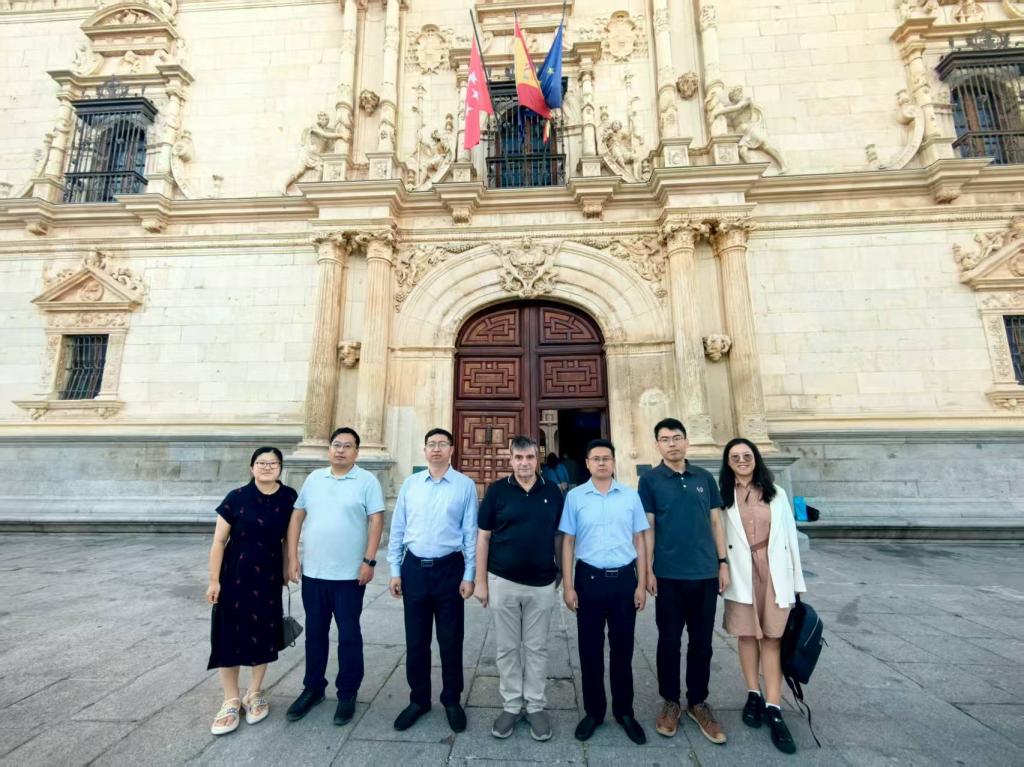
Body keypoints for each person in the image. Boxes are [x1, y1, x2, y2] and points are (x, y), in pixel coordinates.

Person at [284, 427, 385, 726]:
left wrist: (369, 560)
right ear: (329, 449)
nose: (341, 450)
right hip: (314, 573)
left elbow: (376, 519)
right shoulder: (314, 479)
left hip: (349, 576)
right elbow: (297, 516)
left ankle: (347, 693)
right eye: (336, 445)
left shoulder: (367, 481)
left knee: (349, 635)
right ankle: (313, 688)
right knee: (315, 634)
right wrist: (292, 557)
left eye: (347, 446)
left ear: (357, 452)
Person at [638, 418, 730, 744]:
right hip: (668, 575)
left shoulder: (704, 478)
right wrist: (648, 570)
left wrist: (723, 563)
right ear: (657, 445)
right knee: (669, 640)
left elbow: (716, 522)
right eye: (665, 439)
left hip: (705, 573)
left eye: (677, 438)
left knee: (702, 642)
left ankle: (698, 702)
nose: (672, 444)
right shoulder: (650, 481)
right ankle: (670, 701)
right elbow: (648, 527)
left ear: (687, 441)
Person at [719, 437, 806, 755]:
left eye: (747, 455)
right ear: (728, 463)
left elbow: (791, 538)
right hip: (741, 572)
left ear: (756, 458)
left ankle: (773, 705)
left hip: (774, 572)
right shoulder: (723, 495)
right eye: (735, 457)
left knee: (773, 638)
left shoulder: (776, 493)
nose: (742, 460)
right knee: (746, 636)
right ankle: (752, 693)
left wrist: (796, 582)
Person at [388, 428, 478, 733]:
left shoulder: (465, 485)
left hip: (450, 569)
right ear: (424, 450)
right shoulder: (410, 484)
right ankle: (419, 700)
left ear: (452, 449)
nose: (436, 449)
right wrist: (395, 570)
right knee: (416, 641)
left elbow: (470, 533)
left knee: (451, 640)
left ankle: (452, 700)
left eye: (442, 444)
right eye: (431, 444)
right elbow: (398, 528)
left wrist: (469, 575)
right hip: (414, 569)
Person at [560, 438, 649, 745]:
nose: (601, 463)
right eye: (595, 458)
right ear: (587, 463)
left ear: (613, 462)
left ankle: (625, 712)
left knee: (623, 650)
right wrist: (568, 586)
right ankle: (594, 712)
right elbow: (568, 541)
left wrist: (641, 583)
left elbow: (640, 540)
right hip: (589, 580)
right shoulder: (575, 498)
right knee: (590, 650)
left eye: (606, 458)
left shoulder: (630, 496)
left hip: (624, 580)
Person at [474, 435, 564, 741]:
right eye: (518, 458)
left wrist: (562, 573)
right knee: (507, 648)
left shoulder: (552, 491)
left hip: (542, 583)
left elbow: (559, 536)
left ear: (537, 459)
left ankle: (535, 705)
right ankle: (512, 705)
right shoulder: (497, 491)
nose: (524, 463)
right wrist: (481, 581)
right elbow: (483, 536)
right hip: (503, 581)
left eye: (529, 457)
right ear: (510, 459)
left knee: (537, 648)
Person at [206, 447, 296, 735]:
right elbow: (219, 541)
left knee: (264, 633)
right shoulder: (236, 497)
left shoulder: (289, 497)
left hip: (268, 577)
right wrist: (214, 580)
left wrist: (288, 566)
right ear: (251, 467)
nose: (267, 467)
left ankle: (254, 692)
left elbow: (288, 538)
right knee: (228, 635)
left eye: (273, 463)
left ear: (280, 467)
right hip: (234, 575)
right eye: (261, 463)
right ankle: (231, 699)